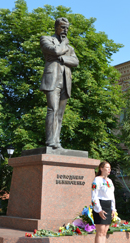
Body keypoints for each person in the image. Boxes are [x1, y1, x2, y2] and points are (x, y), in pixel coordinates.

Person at [40, 17, 79, 149]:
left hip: (65, 81)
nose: (65, 30)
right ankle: (50, 141)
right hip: (52, 79)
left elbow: (75, 62)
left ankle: (57, 142)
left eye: (67, 28)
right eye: (62, 27)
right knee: (52, 109)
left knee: (60, 114)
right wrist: (64, 45)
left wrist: (62, 58)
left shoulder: (70, 48)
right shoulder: (46, 39)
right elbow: (55, 50)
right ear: (56, 27)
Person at [91, 161, 116, 243]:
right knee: (100, 232)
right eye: (107, 167)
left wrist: (113, 209)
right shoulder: (97, 180)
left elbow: (112, 196)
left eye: (110, 168)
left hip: (108, 205)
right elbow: (94, 196)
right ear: (101, 168)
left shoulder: (110, 181)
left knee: (105, 232)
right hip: (100, 206)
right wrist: (99, 209)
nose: (109, 169)